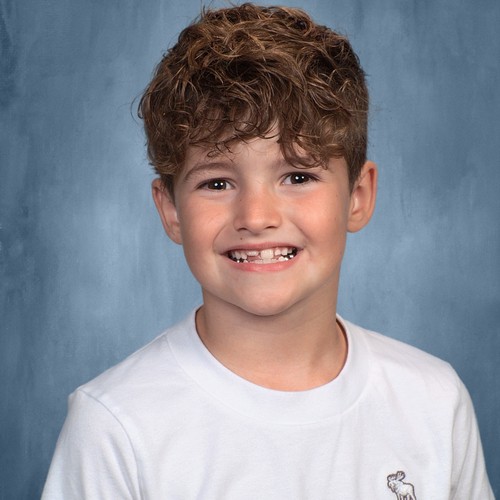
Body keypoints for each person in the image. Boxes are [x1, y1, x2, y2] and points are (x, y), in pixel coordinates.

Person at [42, 4, 493, 498]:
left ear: (358, 196)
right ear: (170, 210)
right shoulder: (115, 427)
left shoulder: (434, 401)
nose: (256, 217)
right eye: (217, 183)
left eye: (298, 176)